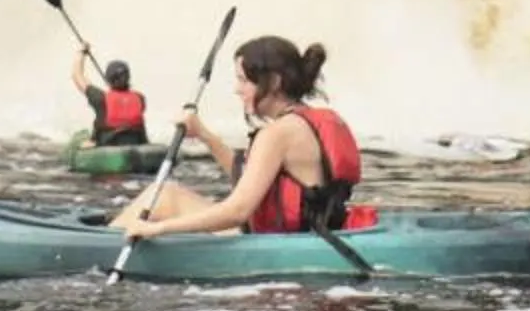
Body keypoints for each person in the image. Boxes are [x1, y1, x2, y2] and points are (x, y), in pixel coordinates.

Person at [114, 34, 365, 238]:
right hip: (307, 233)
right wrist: (204, 135)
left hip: (280, 243)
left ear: (273, 82)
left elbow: (238, 211)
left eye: (243, 81)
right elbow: (248, 177)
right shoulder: (305, 121)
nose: (237, 89)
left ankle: (108, 243)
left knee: (166, 197)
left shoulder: (277, 134)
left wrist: (157, 229)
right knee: (169, 195)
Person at [73, 48, 149, 146]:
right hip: (136, 143)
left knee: (85, 144)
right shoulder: (140, 98)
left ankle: (93, 141)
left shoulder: (100, 98)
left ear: (109, 79)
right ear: (128, 77)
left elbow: (77, 76)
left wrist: (82, 53)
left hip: (108, 144)